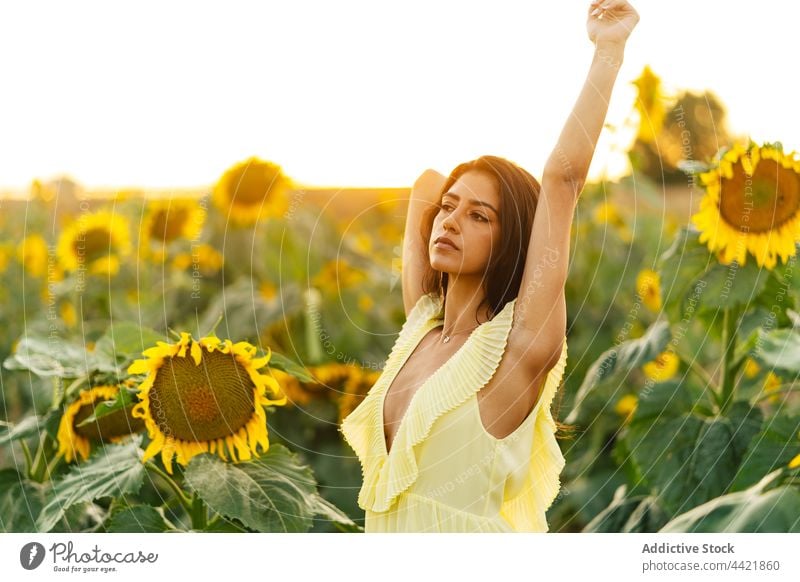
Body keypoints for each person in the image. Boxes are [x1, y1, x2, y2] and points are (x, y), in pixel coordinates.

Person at [340, 0, 640, 532]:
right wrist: (470, 188)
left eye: (479, 216)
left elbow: (562, 181)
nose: (449, 221)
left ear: (513, 242)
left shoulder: (518, 349)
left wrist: (607, 48)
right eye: (450, 209)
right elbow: (426, 185)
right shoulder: (422, 326)